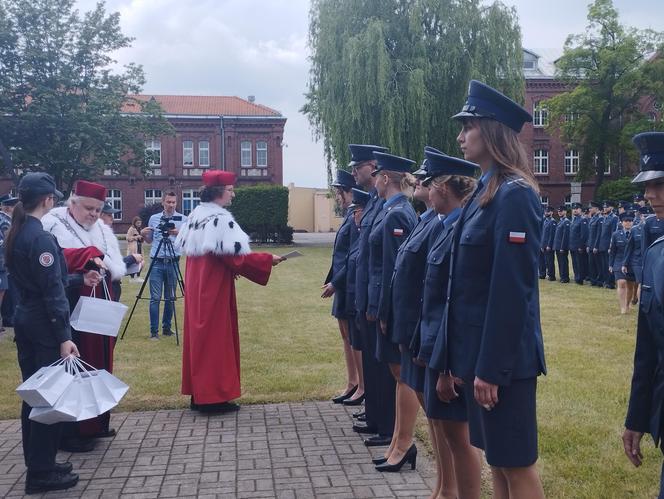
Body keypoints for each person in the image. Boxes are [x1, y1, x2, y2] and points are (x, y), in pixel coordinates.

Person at [430, 80, 546, 498]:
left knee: (516, 464)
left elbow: (511, 292)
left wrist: (490, 369)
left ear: (493, 130)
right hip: (479, 358)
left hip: (504, 364)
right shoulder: (484, 191)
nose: (460, 136)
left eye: (469, 126)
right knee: (498, 461)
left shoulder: (513, 195)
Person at [6, 173, 98, 494]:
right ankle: (41, 472)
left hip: (26, 319)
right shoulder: (41, 238)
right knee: (49, 398)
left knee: (33, 395)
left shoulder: (18, 233)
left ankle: (39, 461)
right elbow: (52, 294)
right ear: (47, 200)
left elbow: (42, 283)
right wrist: (64, 336)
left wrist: (78, 280)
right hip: (46, 327)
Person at [177, 170, 283, 413]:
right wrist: (268, 260)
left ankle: (199, 394)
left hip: (198, 287)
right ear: (218, 193)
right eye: (230, 190)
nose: (233, 194)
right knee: (215, 341)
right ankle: (213, 398)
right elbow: (234, 257)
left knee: (199, 340)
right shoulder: (219, 218)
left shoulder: (196, 214)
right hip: (212, 289)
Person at [415, 150, 482, 499]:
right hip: (435, 347)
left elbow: (454, 301)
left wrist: (447, 364)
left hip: (449, 353)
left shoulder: (459, 228)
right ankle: (446, 491)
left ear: (443, 187)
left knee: (460, 437)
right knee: (446, 430)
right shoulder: (445, 226)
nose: (426, 190)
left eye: (430, 184)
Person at [41, 180, 126, 449]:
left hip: (101, 304)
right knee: (77, 367)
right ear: (72, 203)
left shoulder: (100, 229)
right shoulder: (54, 224)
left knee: (100, 364)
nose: (93, 214)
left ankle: (95, 423)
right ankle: (72, 431)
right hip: (73, 305)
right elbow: (58, 258)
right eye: (88, 208)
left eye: (98, 210)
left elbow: (111, 264)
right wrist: (87, 257)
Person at [368, 151, 418, 473]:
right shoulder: (393, 210)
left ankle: (404, 443)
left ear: (386, 178)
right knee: (399, 376)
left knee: (404, 377)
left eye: (376, 176)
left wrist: (385, 310)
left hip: (395, 307)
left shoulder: (398, 213)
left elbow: (395, 270)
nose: (373, 181)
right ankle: (397, 443)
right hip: (389, 305)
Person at [623, 132, 664, 497]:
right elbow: (648, 349)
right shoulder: (655, 254)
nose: (649, 195)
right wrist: (636, 418)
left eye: (660, 184)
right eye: (648, 185)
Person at [348, 144, 395, 447]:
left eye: (359, 166)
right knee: (373, 363)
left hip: (376, 299)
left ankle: (388, 427)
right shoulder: (376, 203)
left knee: (384, 368)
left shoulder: (389, 208)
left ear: (375, 168)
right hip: (366, 296)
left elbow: (389, 263)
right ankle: (377, 418)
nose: (355, 172)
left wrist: (379, 304)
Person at [322, 169, 362, 405]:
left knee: (352, 338)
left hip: (347, 285)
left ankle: (358, 384)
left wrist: (336, 283)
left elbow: (353, 255)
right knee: (345, 336)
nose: (338, 197)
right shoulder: (349, 215)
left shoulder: (356, 214)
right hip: (341, 284)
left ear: (348, 192)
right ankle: (352, 382)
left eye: (339, 192)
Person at [141, 191, 185, 340]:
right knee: (155, 298)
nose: (171, 205)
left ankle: (167, 328)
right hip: (157, 262)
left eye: (173, 202)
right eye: (168, 202)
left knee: (170, 297)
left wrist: (178, 233)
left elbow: (187, 241)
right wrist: (143, 233)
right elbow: (149, 241)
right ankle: (154, 331)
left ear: (176, 203)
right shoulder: (154, 219)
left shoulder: (182, 219)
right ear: (163, 202)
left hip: (173, 261)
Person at [343, 187, 371, 419]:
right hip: (351, 286)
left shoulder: (396, 214)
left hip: (357, 289)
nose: (354, 216)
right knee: (351, 338)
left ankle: (363, 389)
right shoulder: (353, 221)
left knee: (360, 342)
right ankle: (357, 385)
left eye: (357, 211)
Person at [99, 203, 143, 302]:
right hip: (106, 287)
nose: (112, 218)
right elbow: (107, 264)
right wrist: (131, 259)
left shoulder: (107, 234)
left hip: (113, 285)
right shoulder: (98, 236)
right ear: (100, 216)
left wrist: (133, 264)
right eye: (109, 215)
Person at [610, 212, 636, 314]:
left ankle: (627, 304)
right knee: (621, 283)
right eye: (626, 221)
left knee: (630, 285)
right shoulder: (616, 235)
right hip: (619, 261)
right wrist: (610, 264)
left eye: (630, 221)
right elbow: (612, 251)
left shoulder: (637, 233)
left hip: (632, 262)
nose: (628, 223)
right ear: (621, 222)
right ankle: (622, 307)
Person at [0, 194, 18, 328]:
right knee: (4, 290)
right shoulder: (5, 221)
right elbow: (7, 242)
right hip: (3, 262)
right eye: (13, 207)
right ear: (7, 208)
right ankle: (5, 319)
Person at [599, 200, 619, 289]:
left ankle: (610, 283)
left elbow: (613, 233)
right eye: (604, 207)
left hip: (608, 245)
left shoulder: (614, 218)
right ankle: (606, 281)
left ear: (611, 208)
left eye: (606, 207)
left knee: (609, 264)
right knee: (603, 264)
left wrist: (611, 245)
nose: (605, 208)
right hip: (602, 244)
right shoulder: (605, 218)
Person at [569, 202, 589, 285]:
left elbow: (584, 235)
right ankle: (576, 276)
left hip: (578, 246)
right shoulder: (573, 220)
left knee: (580, 263)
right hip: (573, 245)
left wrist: (581, 246)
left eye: (577, 209)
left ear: (580, 210)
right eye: (573, 209)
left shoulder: (583, 220)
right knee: (574, 263)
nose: (575, 210)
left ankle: (580, 278)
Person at [587, 201, 603, 287]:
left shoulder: (600, 219)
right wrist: (588, 245)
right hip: (591, 245)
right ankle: (593, 280)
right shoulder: (593, 218)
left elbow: (598, 234)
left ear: (596, 209)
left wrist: (596, 246)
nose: (590, 209)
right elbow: (590, 234)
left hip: (595, 246)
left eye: (591, 208)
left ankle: (599, 281)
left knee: (597, 264)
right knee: (591, 264)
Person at [553, 205, 571, 283]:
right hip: (558, 246)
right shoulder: (560, 221)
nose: (559, 212)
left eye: (561, 211)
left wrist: (562, 247)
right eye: (559, 211)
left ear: (565, 212)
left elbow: (565, 236)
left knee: (563, 262)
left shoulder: (566, 221)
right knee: (560, 262)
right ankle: (562, 276)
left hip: (562, 246)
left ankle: (565, 277)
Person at [126, 216, 144, 281]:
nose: (139, 224)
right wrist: (135, 237)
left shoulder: (140, 229)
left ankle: (138, 276)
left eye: (140, 223)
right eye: (138, 223)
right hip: (133, 248)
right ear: (134, 223)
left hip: (139, 247)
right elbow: (127, 238)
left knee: (141, 262)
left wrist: (142, 238)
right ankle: (132, 278)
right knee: (134, 262)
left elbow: (142, 238)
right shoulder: (131, 229)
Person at [542, 206, 557, 281]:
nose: (546, 213)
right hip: (544, 244)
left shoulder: (553, 221)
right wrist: (542, 245)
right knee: (546, 261)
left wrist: (549, 245)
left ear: (551, 212)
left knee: (550, 261)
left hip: (549, 245)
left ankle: (552, 275)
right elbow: (543, 234)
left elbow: (552, 235)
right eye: (545, 211)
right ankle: (548, 274)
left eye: (548, 211)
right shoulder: (545, 221)